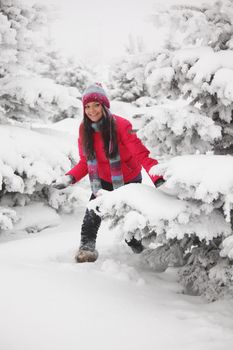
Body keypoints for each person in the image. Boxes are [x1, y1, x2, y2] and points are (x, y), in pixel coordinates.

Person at [54, 83, 164, 263]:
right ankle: (86, 249)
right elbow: (84, 162)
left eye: (96, 105)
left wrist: (157, 176)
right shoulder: (85, 129)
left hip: (128, 180)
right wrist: (70, 177)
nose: (92, 110)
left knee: (130, 219)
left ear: (104, 105)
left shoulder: (121, 125)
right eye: (87, 106)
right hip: (102, 180)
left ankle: (139, 250)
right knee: (92, 214)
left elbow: (140, 153)